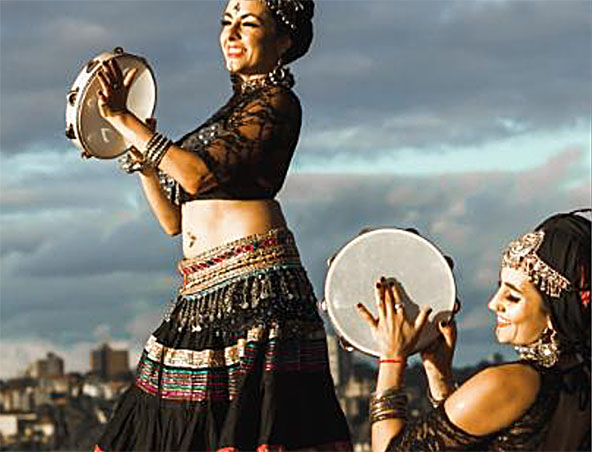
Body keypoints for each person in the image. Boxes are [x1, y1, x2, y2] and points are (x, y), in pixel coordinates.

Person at [92, 0, 351, 450]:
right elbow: (174, 220)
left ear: (283, 41)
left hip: (256, 291)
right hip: (201, 293)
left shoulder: (277, 105)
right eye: (225, 23)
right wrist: (147, 165)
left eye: (247, 23)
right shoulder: (230, 114)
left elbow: (197, 175)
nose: (230, 34)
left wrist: (126, 120)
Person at [357, 210, 591, 451]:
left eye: (512, 297)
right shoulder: (581, 377)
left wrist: (392, 357)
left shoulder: (507, 384)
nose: (493, 303)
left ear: (554, 314)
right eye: (499, 287)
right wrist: (439, 375)